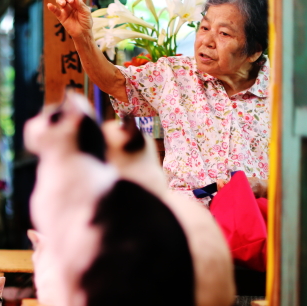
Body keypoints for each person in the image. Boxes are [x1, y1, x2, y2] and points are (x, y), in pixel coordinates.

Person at [48, 0, 270, 201]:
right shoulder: (174, 74)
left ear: (254, 51)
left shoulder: (283, 93)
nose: (207, 41)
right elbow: (115, 82)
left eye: (224, 34)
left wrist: (264, 187)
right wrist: (83, 37)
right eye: (204, 28)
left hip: (255, 226)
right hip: (186, 223)